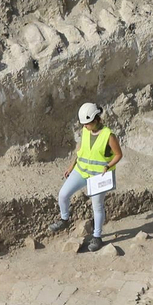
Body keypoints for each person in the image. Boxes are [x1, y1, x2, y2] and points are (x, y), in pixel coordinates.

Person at [48, 102, 123, 253]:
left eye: (88, 123)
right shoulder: (85, 130)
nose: (86, 126)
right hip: (81, 170)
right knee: (63, 194)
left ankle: (97, 236)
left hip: (98, 176)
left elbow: (118, 154)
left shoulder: (109, 136)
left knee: (97, 206)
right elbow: (81, 150)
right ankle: (64, 219)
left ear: (96, 119)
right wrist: (71, 166)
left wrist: (108, 166)